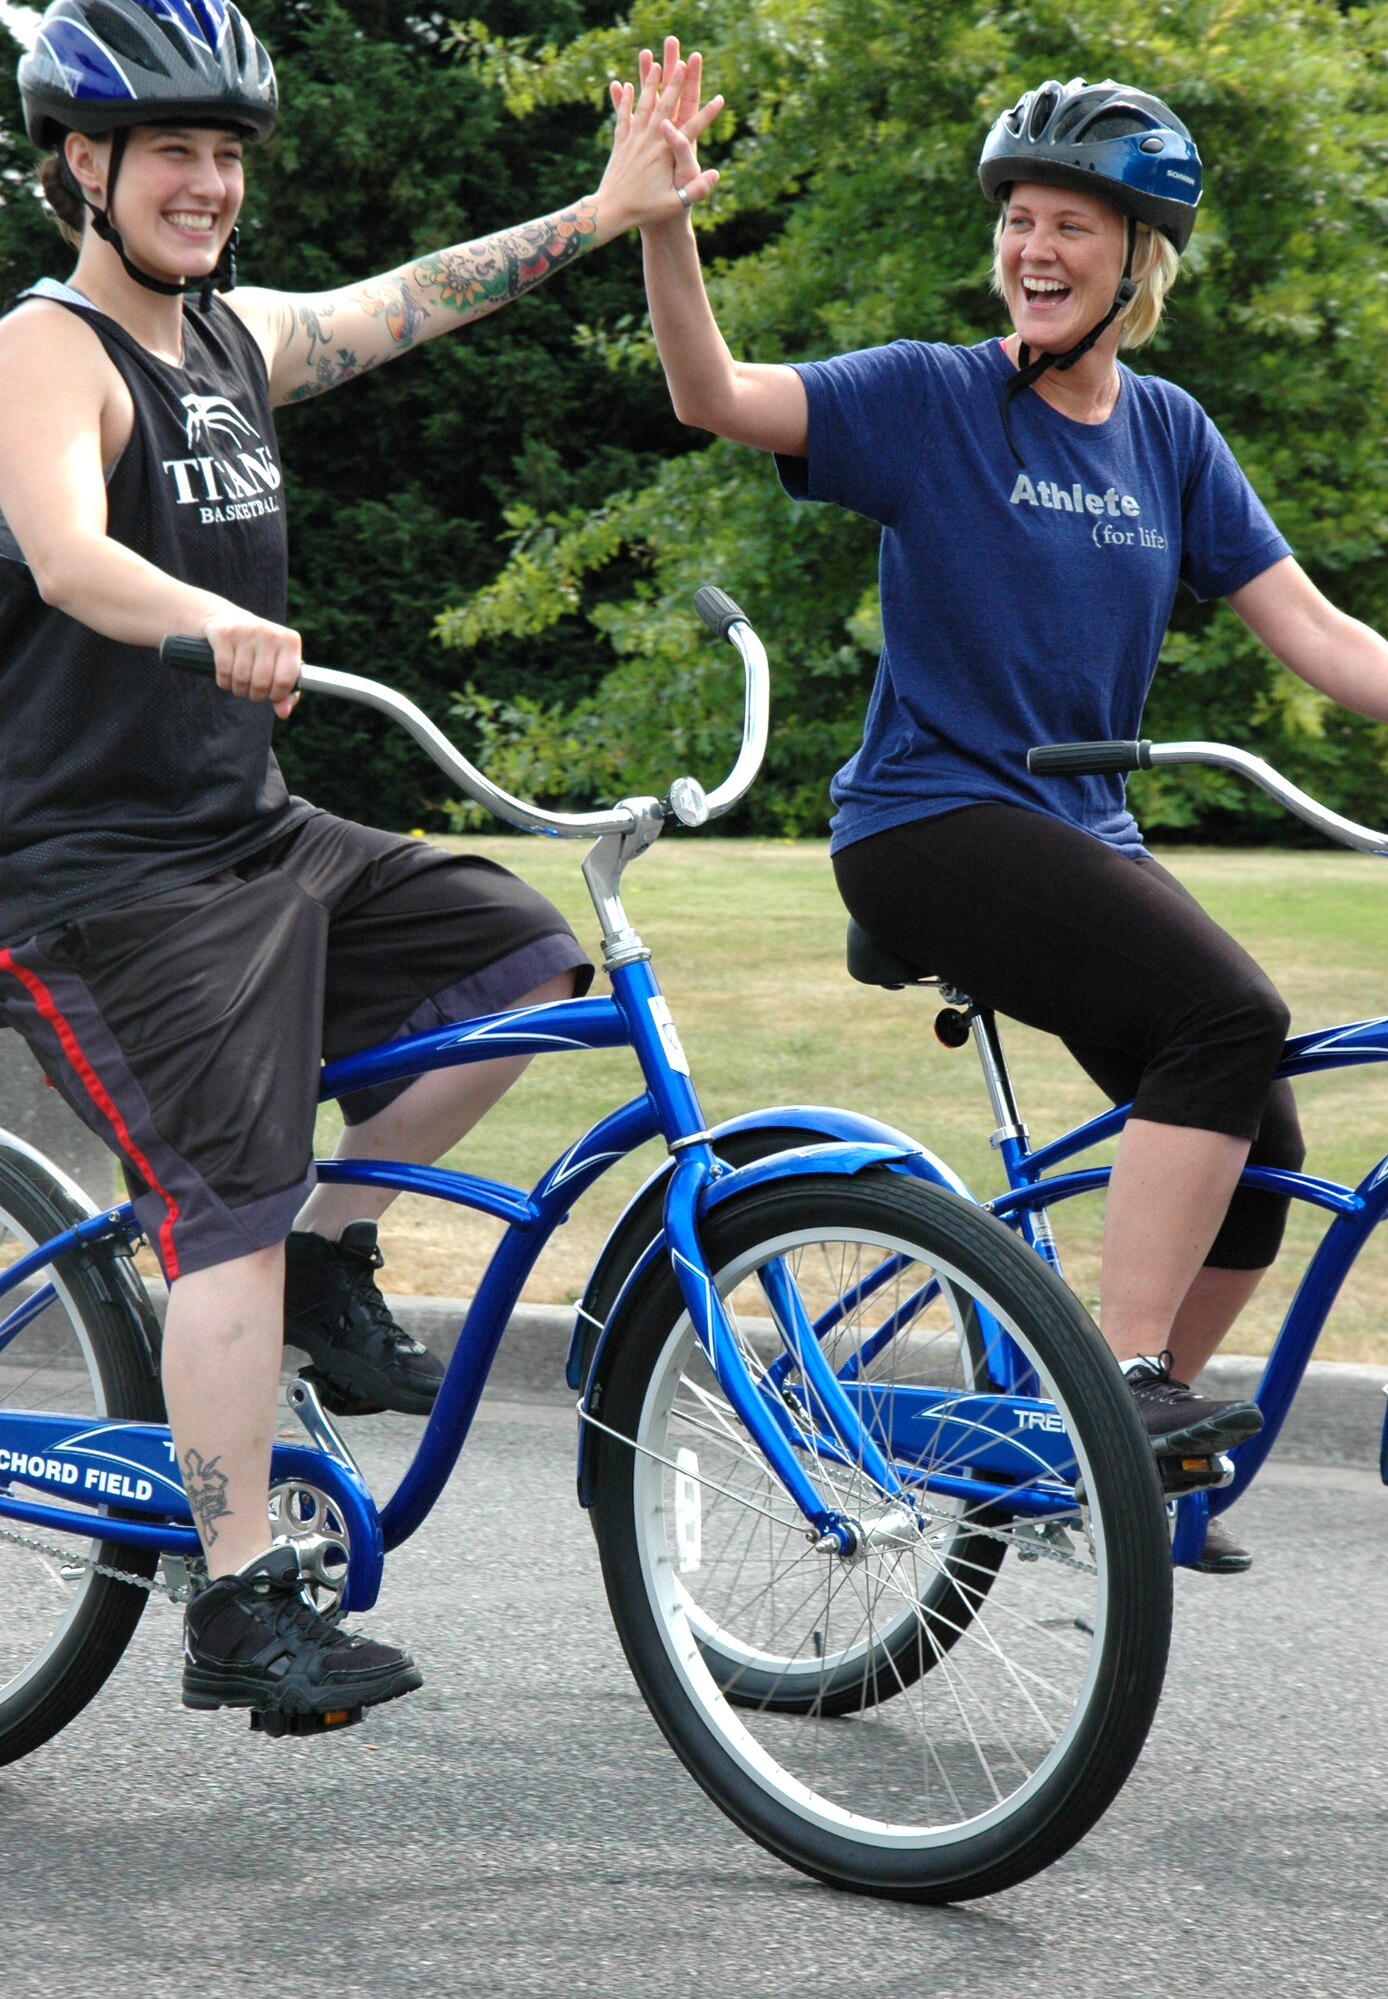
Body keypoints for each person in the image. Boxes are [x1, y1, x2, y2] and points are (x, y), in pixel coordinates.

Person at [0, 0, 718, 1726]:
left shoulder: (230, 341)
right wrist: (215, 620)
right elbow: (68, 552)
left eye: (228, 154)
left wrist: (608, 215)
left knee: (520, 960)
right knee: (221, 1203)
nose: (207, 183)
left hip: (253, 836)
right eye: (173, 149)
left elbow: (406, 298)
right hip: (97, 877)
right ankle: (239, 1598)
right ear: (80, 168)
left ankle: (334, 1251)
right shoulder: (46, 348)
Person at [619, 49, 1388, 1574]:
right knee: (1226, 1016)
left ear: (1136, 263)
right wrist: (661, 223)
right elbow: (713, 397)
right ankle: (1119, 1408)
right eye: (1021, 219)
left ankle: (1084, 1425)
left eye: (1072, 228)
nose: (1035, 250)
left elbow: (1319, 635)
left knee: (1265, 1148)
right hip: (923, 822)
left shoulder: (1169, 437)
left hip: (1078, 832)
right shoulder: (932, 399)